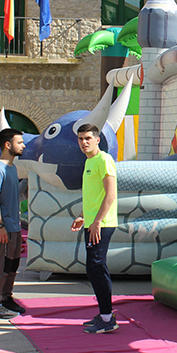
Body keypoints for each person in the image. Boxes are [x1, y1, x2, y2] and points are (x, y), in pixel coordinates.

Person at [71, 123, 118, 334]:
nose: (84, 142)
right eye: (81, 139)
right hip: (91, 223)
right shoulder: (89, 162)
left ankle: (108, 319)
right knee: (94, 268)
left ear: (97, 139)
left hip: (102, 225)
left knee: (96, 268)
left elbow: (110, 194)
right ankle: (105, 313)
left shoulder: (104, 160)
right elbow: (93, 196)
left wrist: (97, 220)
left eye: (88, 138)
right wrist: (83, 216)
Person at [0, 128, 27, 319]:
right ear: (8, 145)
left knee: (13, 265)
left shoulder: (12, 168)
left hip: (14, 226)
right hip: (4, 227)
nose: (23, 146)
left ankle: (6, 298)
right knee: (2, 266)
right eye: (20, 142)